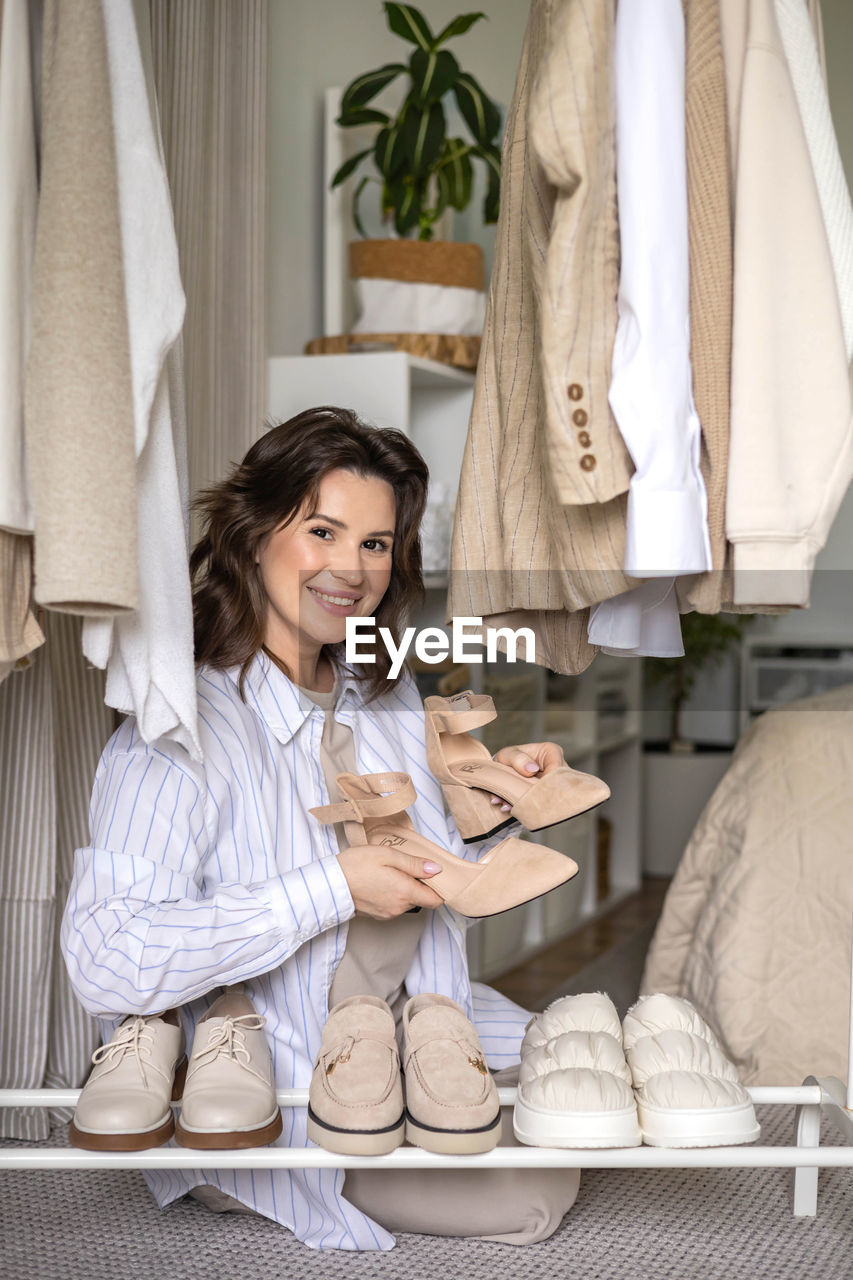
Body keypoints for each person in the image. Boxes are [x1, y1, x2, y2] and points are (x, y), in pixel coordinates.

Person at [60, 406, 580, 1250]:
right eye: (324, 532)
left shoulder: (384, 690)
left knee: (601, 1078)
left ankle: (445, 1067)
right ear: (255, 533)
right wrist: (333, 887)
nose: (352, 569)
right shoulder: (176, 733)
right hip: (286, 1061)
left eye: (375, 544)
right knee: (525, 1190)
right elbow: (107, 958)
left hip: (409, 1017)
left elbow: (431, 866)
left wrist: (495, 806)